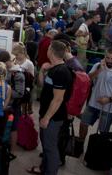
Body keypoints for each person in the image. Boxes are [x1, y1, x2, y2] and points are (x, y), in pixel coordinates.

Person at [27, 40, 73, 175]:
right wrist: (42, 70)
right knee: (46, 146)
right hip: (46, 113)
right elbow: (43, 86)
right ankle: (44, 169)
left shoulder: (61, 71)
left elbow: (58, 99)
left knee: (50, 148)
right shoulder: (53, 69)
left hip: (53, 116)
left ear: (51, 51)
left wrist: (47, 118)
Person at [78, 46, 112, 141]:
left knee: (103, 131)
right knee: (83, 124)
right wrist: (99, 70)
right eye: (107, 58)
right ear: (104, 57)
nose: (109, 61)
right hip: (92, 104)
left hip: (108, 108)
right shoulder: (98, 65)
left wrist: (109, 99)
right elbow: (87, 79)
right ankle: (80, 145)